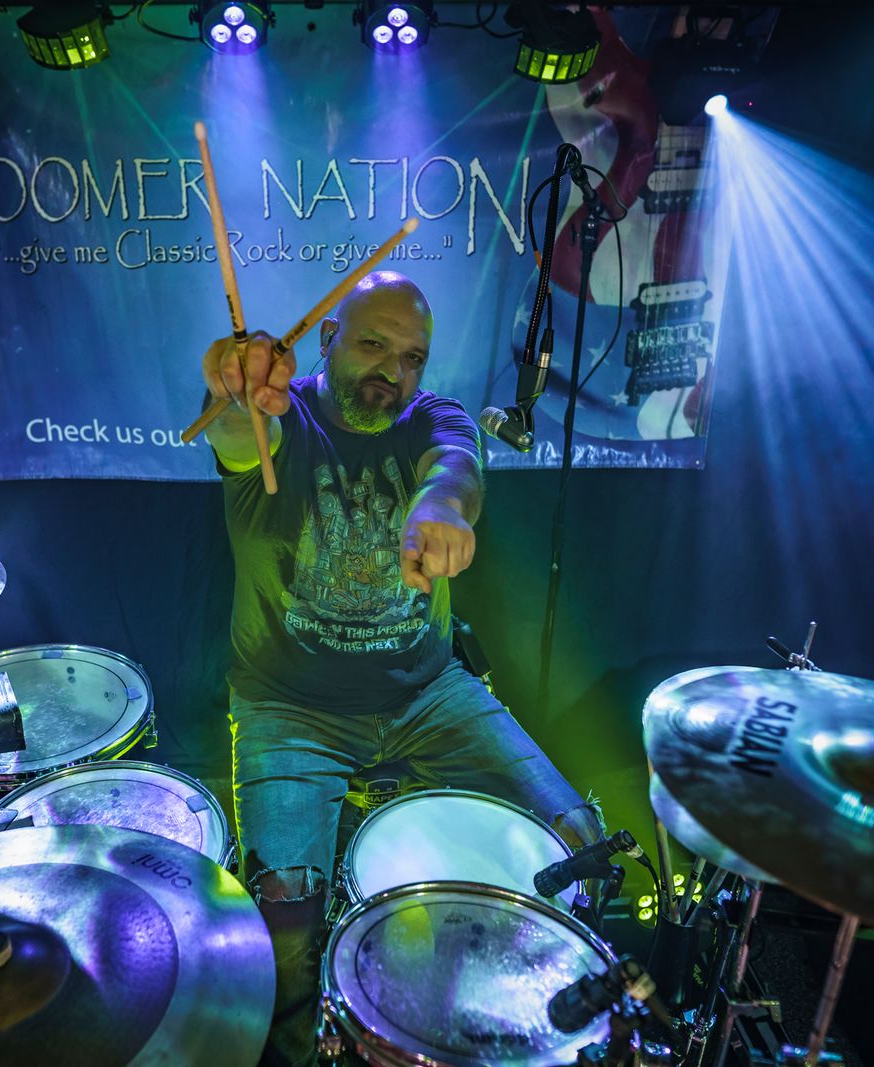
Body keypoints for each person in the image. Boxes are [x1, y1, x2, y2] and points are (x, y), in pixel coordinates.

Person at [200, 270, 605, 1066]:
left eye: (412, 356)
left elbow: (455, 470)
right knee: (284, 925)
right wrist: (234, 390)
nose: (393, 370)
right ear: (328, 339)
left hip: (429, 692)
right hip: (289, 708)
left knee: (580, 848)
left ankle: (511, 1034)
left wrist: (441, 508)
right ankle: (292, 1053)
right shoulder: (281, 418)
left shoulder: (435, 417)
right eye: (373, 345)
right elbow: (241, 435)